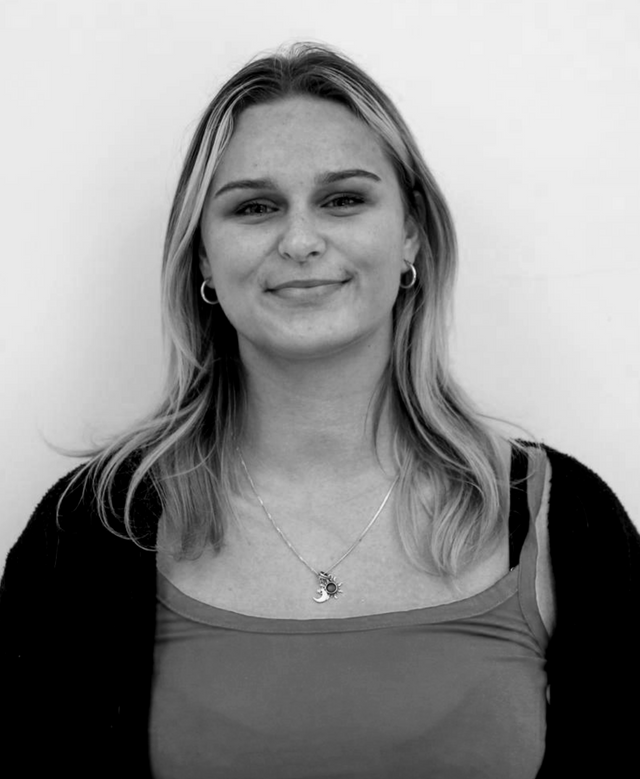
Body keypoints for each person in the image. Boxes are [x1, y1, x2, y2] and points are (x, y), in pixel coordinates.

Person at [1, 42, 639, 779]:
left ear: (411, 233)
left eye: (343, 200)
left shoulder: (563, 518)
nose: (301, 241)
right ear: (202, 255)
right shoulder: (90, 531)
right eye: (254, 207)